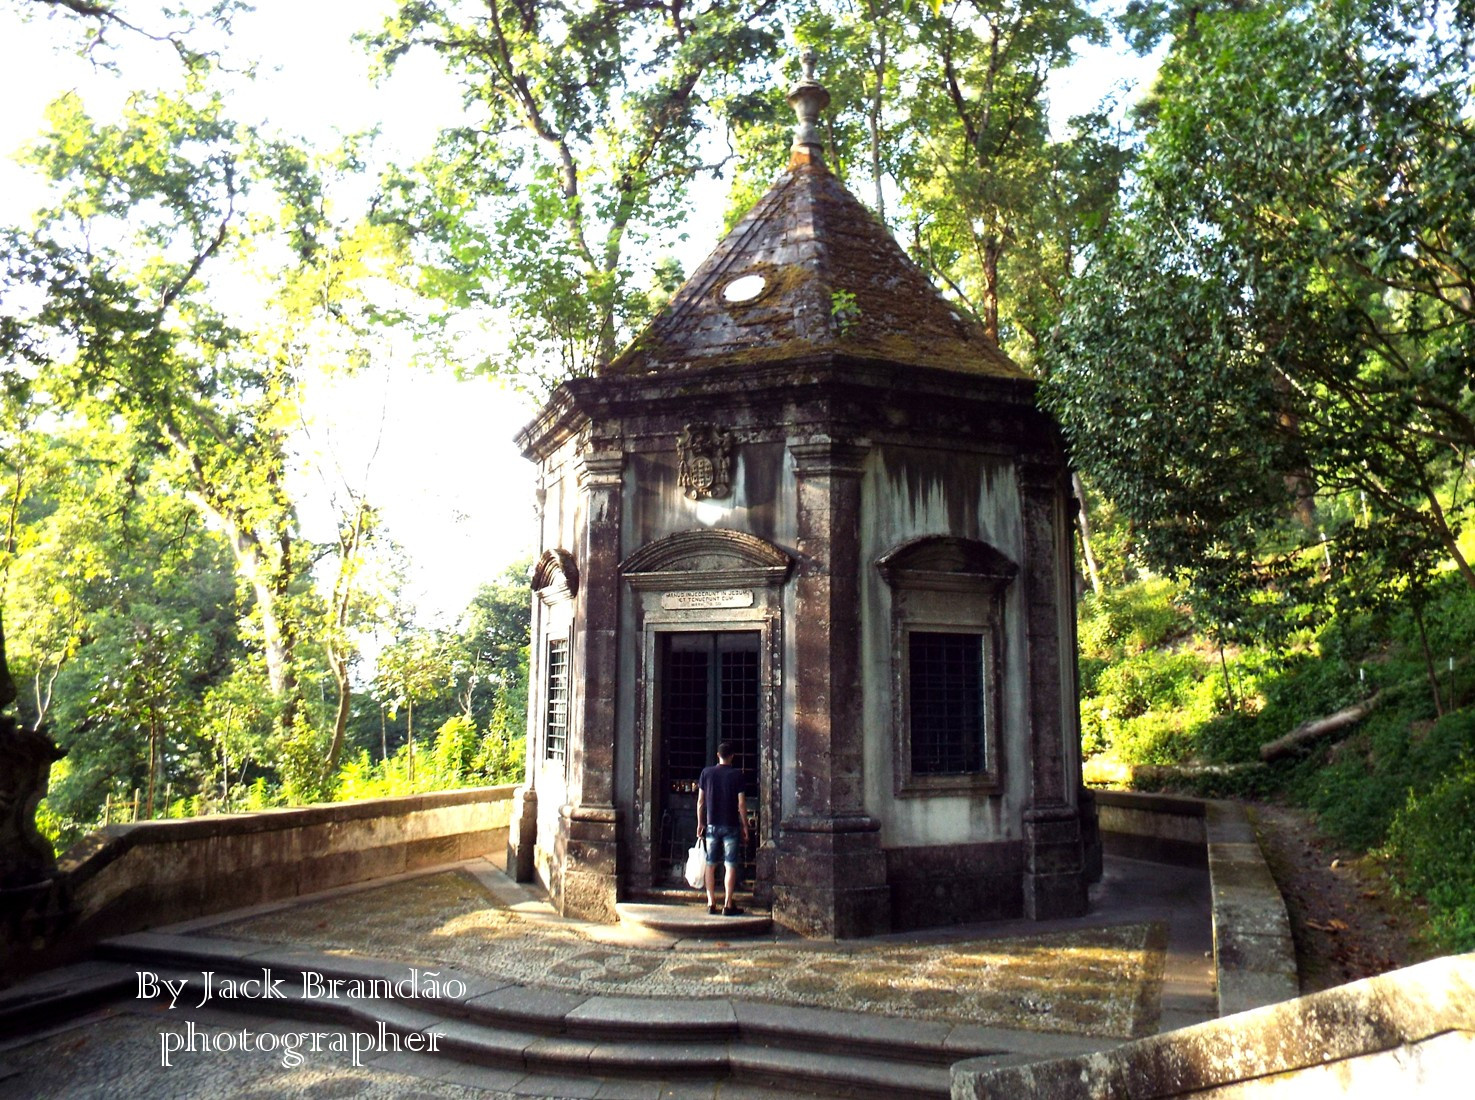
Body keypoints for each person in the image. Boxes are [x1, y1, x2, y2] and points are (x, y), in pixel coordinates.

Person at [695, 740, 749, 915]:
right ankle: (727, 904)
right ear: (732, 756)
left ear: (717, 755)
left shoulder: (706, 773)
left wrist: (700, 823)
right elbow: (741, 804)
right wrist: (745, 825)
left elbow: (700, 802)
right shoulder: (737, 775)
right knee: (730, 865)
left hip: (711, 825)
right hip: (731, 825)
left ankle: (711, 902)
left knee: (710, 864)